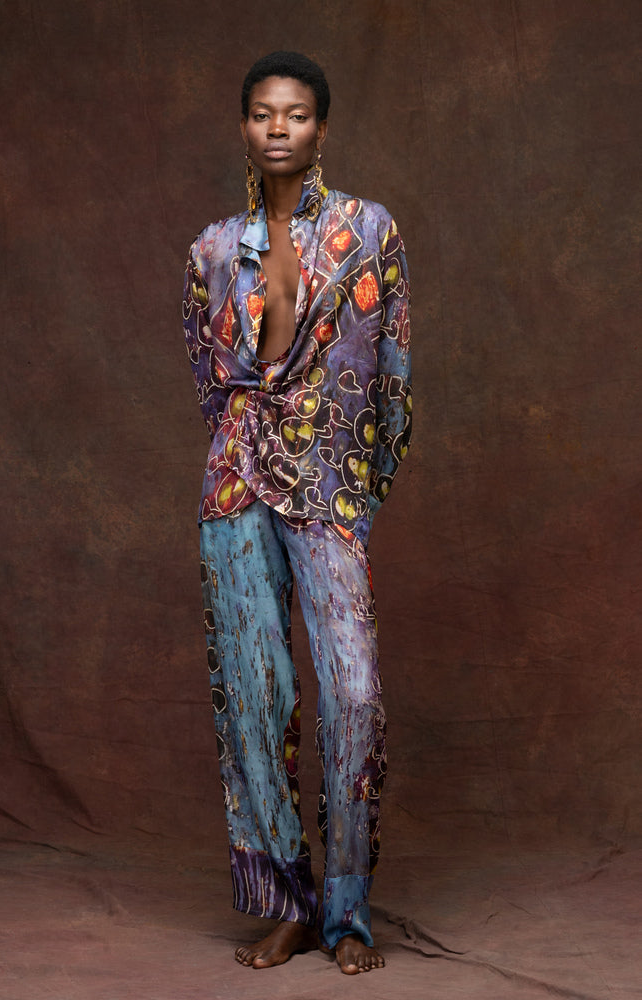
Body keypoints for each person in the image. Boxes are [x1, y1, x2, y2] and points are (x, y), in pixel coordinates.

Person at [182, 51, 411, 975]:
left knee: (353, 695)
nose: (278, 127)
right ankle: (288, 902)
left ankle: (347, 912)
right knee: (254, 696)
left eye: (297, 113)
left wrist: (356, 489)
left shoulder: (367, 230)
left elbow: (391, 369)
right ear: (244, 126)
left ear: (321, 128)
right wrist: (247, 446)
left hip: (328, 486)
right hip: (234, 483)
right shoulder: (211, 249)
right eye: (262, 113)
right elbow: (208, 381)